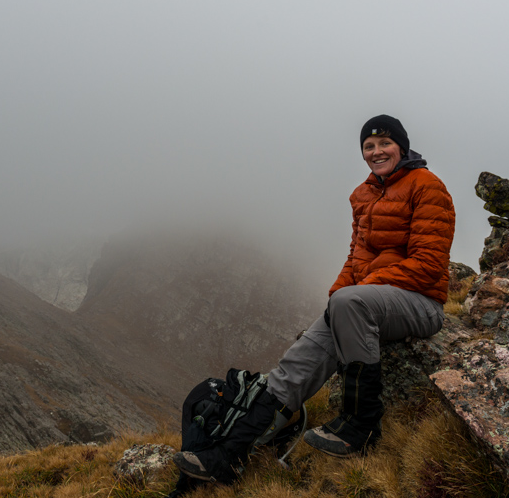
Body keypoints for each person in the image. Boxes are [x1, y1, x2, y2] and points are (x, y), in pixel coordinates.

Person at [173, 114, 456, 480]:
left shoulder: (427, 185)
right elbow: (355, 256)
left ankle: (361, 428)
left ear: (401, 146)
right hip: (367, 304)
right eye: (368, 147)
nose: (376, 151)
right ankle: (228, 454)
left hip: (420, 304)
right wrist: (337, 297)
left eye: (384, 143)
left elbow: (429, 264)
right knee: (294, 365)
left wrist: (357, 293)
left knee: (348, 304)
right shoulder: (363, 194)